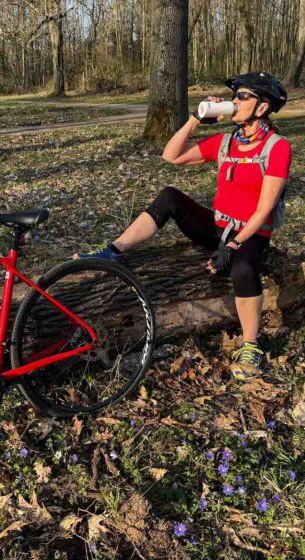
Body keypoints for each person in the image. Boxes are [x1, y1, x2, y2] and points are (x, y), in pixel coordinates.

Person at [76, 71, 291, 380]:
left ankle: (251, 345)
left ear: (262, 107)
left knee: (243, 270)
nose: (234, 101)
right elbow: (170, 156)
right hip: (217, 225)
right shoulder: (227, 141)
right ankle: (113, 251)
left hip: (252, 232)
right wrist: (195, 120)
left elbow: (264, 209)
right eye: (235, 96)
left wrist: (233, 245)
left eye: (242, 97)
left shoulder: (277, 148)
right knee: (169, 197)